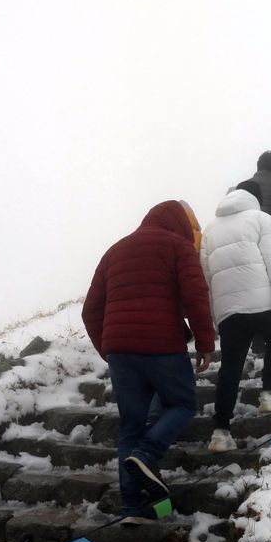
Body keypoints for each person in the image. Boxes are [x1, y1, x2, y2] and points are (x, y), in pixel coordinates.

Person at [82, 200, 215, 523]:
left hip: (121, 352)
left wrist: (109, 349)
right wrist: (205, 341)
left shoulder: (115, 251)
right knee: (182, 403)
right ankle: (147, 454)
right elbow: (196, 297)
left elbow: (90, 310)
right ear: (180, 225)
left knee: (129, 425)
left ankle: (131, 507)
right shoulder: (178, 246)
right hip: (162, 346)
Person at [200, 180, 271, 452]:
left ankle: (220, 432)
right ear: (256, 198)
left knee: (230, 368)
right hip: (261, 302)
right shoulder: (262, 219)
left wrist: (215, 318)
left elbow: (206, 277)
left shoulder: (210, 229)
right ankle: (268, 394)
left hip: (228, 310)